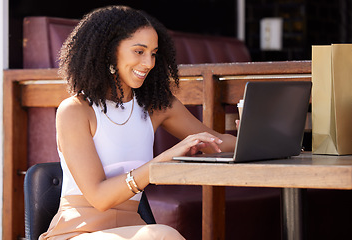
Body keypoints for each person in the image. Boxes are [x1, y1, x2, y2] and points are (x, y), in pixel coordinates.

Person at [39, 5, 237, 240]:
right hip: (77, 232)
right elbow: (100, 198)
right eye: (139, 51)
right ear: (109, 51)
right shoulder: (75, 110)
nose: (149, 63)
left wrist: (267, 139)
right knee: (163, 235)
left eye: (153, 53)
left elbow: (216, 142)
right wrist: (160, 162)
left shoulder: (157, 106)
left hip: (134, 229)